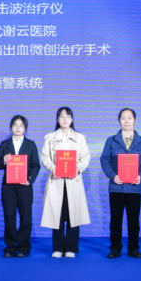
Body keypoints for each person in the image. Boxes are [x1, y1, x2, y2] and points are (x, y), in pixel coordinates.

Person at [99, 108, 141, 259]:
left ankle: (133, 248)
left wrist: (140, 174)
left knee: (133, 220)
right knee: (115, 220)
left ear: (135, 120)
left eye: (129, 118)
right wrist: (112, 175)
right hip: (116, 186)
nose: (126, 121)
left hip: (134, 187)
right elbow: (104, 159)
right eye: (123, 118)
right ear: (119, 120)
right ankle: (115, 248)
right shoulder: (111, 140)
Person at [40, 107, 91, 257]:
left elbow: (85, 157)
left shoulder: (80, 138)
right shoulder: (50, 138)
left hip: (73, 181)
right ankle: (57, 248)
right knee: (57, 214)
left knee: (73, 215)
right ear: (57, 120)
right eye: (61, 116)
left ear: (72, 120)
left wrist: (78, 168)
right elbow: (44, 157)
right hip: (56, 181)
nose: (64, 119)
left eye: (67, 116)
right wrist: (53, 167)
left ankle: (70, 248)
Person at [0, 115, 41, 258]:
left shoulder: (30, 144)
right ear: (11, 127)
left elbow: (36, 165)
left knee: (25, 217)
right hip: (8, 186)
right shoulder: (4, 144)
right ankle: (10, 247)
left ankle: (23, 247)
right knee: (9, 217)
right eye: (15, 125)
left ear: (25, 128)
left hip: (24, 186)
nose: (18, 128)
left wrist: (29, 180)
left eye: (21, 125)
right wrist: (4, 160)